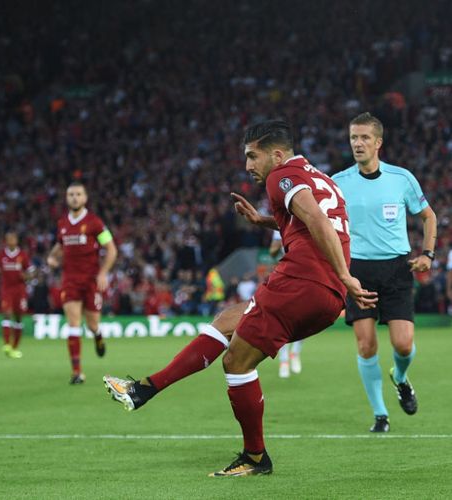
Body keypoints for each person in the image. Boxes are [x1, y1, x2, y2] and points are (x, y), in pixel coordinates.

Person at [104, 120, 376, 476]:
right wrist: (266, 221)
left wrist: (345, 274)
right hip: (323, 294)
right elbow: (317, 223)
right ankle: (145, 389)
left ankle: (255, 457)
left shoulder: (282, 177)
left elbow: (319, 223)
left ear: (276, 155)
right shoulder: (320, 178)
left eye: (252, 156)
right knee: (228, 320)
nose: (248, 165)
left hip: (302, 281)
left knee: (236, 363)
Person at [332, 112, 437, 433]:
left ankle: (400, 377)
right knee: (366, 346)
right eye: (353, 137)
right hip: (358, 270)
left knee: (403, 345)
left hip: (396, 267)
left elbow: (429, 217)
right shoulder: (338, 182)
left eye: (364, 138)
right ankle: (380, 415)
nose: (358, 143)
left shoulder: (401, 178)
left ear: (378, 142)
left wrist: (428, 254)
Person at [47, 181, 117, 384]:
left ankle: (98, 335)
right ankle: (76, 372)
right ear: (66, 198)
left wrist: (103, 273)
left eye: (78, 194)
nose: (74, 198)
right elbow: (59, 246)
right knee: (73, 324)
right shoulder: (62, 224)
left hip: (91, 281)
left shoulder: (95, 223)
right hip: (70, 281)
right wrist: (52, 258)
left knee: (92, 324)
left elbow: (111, 250)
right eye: (71, 194)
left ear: (85, 198)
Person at [0, 231, 34, 358]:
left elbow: (31, 274)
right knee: (7, 313)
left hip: (20, 291)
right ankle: (6, 345)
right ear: (6, 241)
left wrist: (26, 276)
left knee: (18, 317)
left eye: (12, 239)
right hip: (6, 289)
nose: (11, 241)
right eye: (8, 239)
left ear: (16, 240)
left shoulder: (23, 255)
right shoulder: (1, 255)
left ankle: (15, 347)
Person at [270, 230, 303, 378]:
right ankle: (284, 361)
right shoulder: (279, 223)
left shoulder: (307, 218)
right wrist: (278, 246)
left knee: (305, 317)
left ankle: (295, 352)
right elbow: (272, 252)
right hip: (286, 274)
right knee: (282, 320)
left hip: (306, 274)